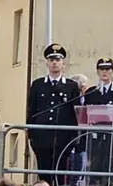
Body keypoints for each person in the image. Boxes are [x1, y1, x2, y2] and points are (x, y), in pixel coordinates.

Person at [27, 44, 81, 178]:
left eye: (58, 60)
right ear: (47, 63)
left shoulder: (71, 86)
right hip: (42, 136)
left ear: (63, 63)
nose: (55, 63)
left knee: (60, 172)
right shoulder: (38, 84)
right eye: (51, 60)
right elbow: (31, 109)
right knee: (44, 171)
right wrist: (31, 133)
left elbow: (76, 111)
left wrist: (74, 135)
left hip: (63, 136)